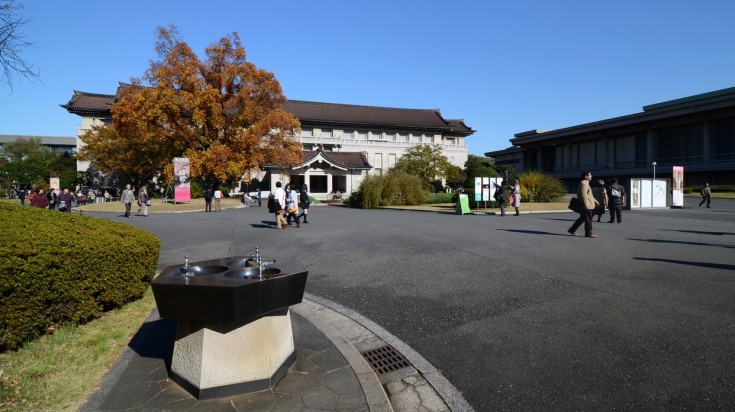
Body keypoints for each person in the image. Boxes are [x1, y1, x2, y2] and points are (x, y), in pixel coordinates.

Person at [568, 171, 599, 238]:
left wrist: (595, 201)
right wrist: (586, 205)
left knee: (582, 218)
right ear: (586, 176)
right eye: (590, 175)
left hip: (587, 204)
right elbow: (583, 195)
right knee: (588, 219)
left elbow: (589, 195)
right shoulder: (584, 184)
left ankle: (572, 230)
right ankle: (588, 233)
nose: (591, 176)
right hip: (586, 204)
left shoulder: (586, 183)